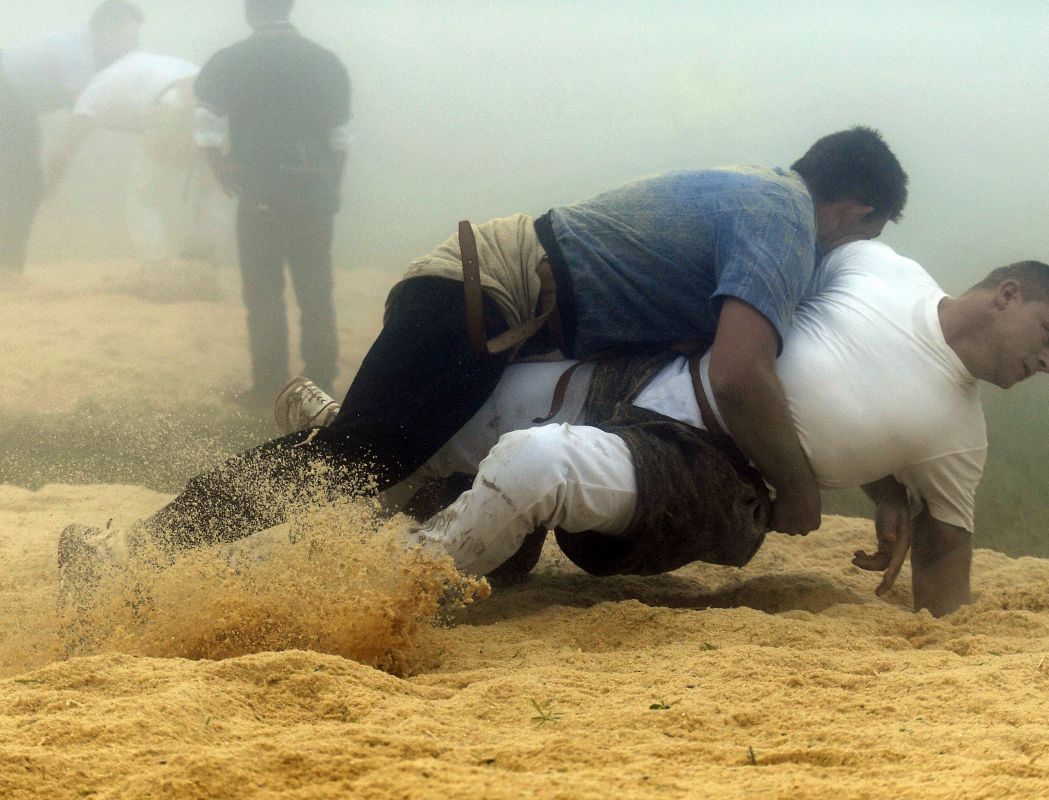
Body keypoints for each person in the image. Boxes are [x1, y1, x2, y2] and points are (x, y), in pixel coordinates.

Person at [110, 126, 907, 551]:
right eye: (860, 236)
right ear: (856, 210)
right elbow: (740, 372)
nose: (840, 252)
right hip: (482, 299)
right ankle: (140, 555)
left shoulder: (757, 188)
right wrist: (800, 487)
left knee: (380, 451)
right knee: (362, 456)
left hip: (487, 301)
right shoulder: (785, 221)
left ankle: (287, 458)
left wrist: (882, 483)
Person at [313, 242, 1049, 618]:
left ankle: (377, 599)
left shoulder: (960, 435)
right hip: (647, 374)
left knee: (531, 465)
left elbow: (945, 555)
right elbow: (769, 277)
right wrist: (884, 485)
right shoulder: (879, 265)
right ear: (1007, 295)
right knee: (427, 432)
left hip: (706, 472)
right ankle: (323, 445)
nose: (1048, 363)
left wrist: (945, 634)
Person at [193, 0, 352, 400]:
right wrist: (332, 184)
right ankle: (320, 381)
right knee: (316, 290)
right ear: (291, 7)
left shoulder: (231, 60)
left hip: (261, 192)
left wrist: (219, 167)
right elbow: (341, 136)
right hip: (314, 193)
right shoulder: (325, 61)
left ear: (250, 13)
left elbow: (206, 120)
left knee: (263, 291)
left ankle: (267, 383)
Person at [43, 51, 229, 267]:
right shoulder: (136, 61)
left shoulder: (94, 88)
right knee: (211, 189)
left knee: (143, 195)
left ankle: (155, 266)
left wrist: (49, 184)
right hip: (219, 108)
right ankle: (201, 265)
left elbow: (69, 141)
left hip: (174, 107)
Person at [0, 0, 143, 278]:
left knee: (24, 186)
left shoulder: (93, 54)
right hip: (8, 99)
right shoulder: (77, 51)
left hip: (20, 108)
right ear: (106, 31)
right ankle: (8, 270)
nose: (135, 46)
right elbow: (84, 108)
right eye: (130, 37)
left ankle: (8, 268)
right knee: (21, 184)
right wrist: (140, 126)